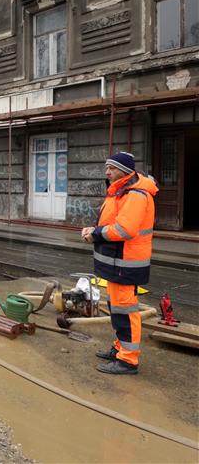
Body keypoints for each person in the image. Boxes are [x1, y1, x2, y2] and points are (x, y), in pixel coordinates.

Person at [81, 152, 157, 375]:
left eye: (112, 168)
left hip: (126, 263)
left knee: (125, 311)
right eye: (106, 167)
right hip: (118, 262)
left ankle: (128, 360)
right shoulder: (120, 192)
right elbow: (112, 223)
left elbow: (125, 229)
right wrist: (94, 231)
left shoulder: (135, 195)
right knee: (117, 309)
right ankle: (120, 348)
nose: (107, 172)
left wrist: (95, 234)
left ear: (125, 171)